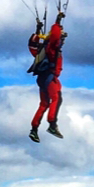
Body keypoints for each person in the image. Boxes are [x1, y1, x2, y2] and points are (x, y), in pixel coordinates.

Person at [28, 12, 66, 141]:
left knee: (44, 104)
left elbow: (32, 44)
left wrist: (37, 30)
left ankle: (34, 129)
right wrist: (57, 21)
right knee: (56, 98)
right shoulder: (52, 48)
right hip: (49, 79)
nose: (62, 40)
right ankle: (52, 125)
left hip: (42, 80)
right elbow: (54, 35)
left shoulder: (42, 50)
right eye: (62, 37)